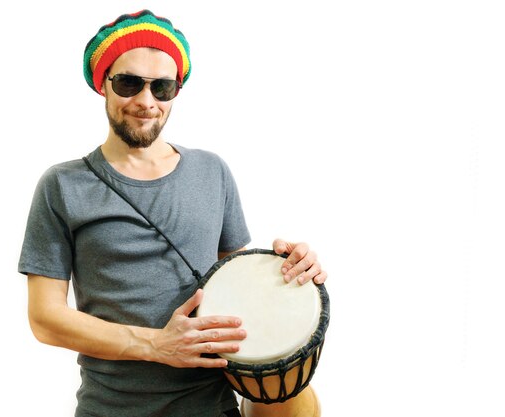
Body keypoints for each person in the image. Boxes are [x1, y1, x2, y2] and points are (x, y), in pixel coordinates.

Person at [18, 10, 327, 417]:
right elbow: (45, 319)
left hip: (214, 407)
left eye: (162, 87)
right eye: (129, 83)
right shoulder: (62, 185)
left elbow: (235, 293)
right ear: (103, 85)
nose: (146, 102)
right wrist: (155, 345)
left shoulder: (212, 171)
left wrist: (286, 273)